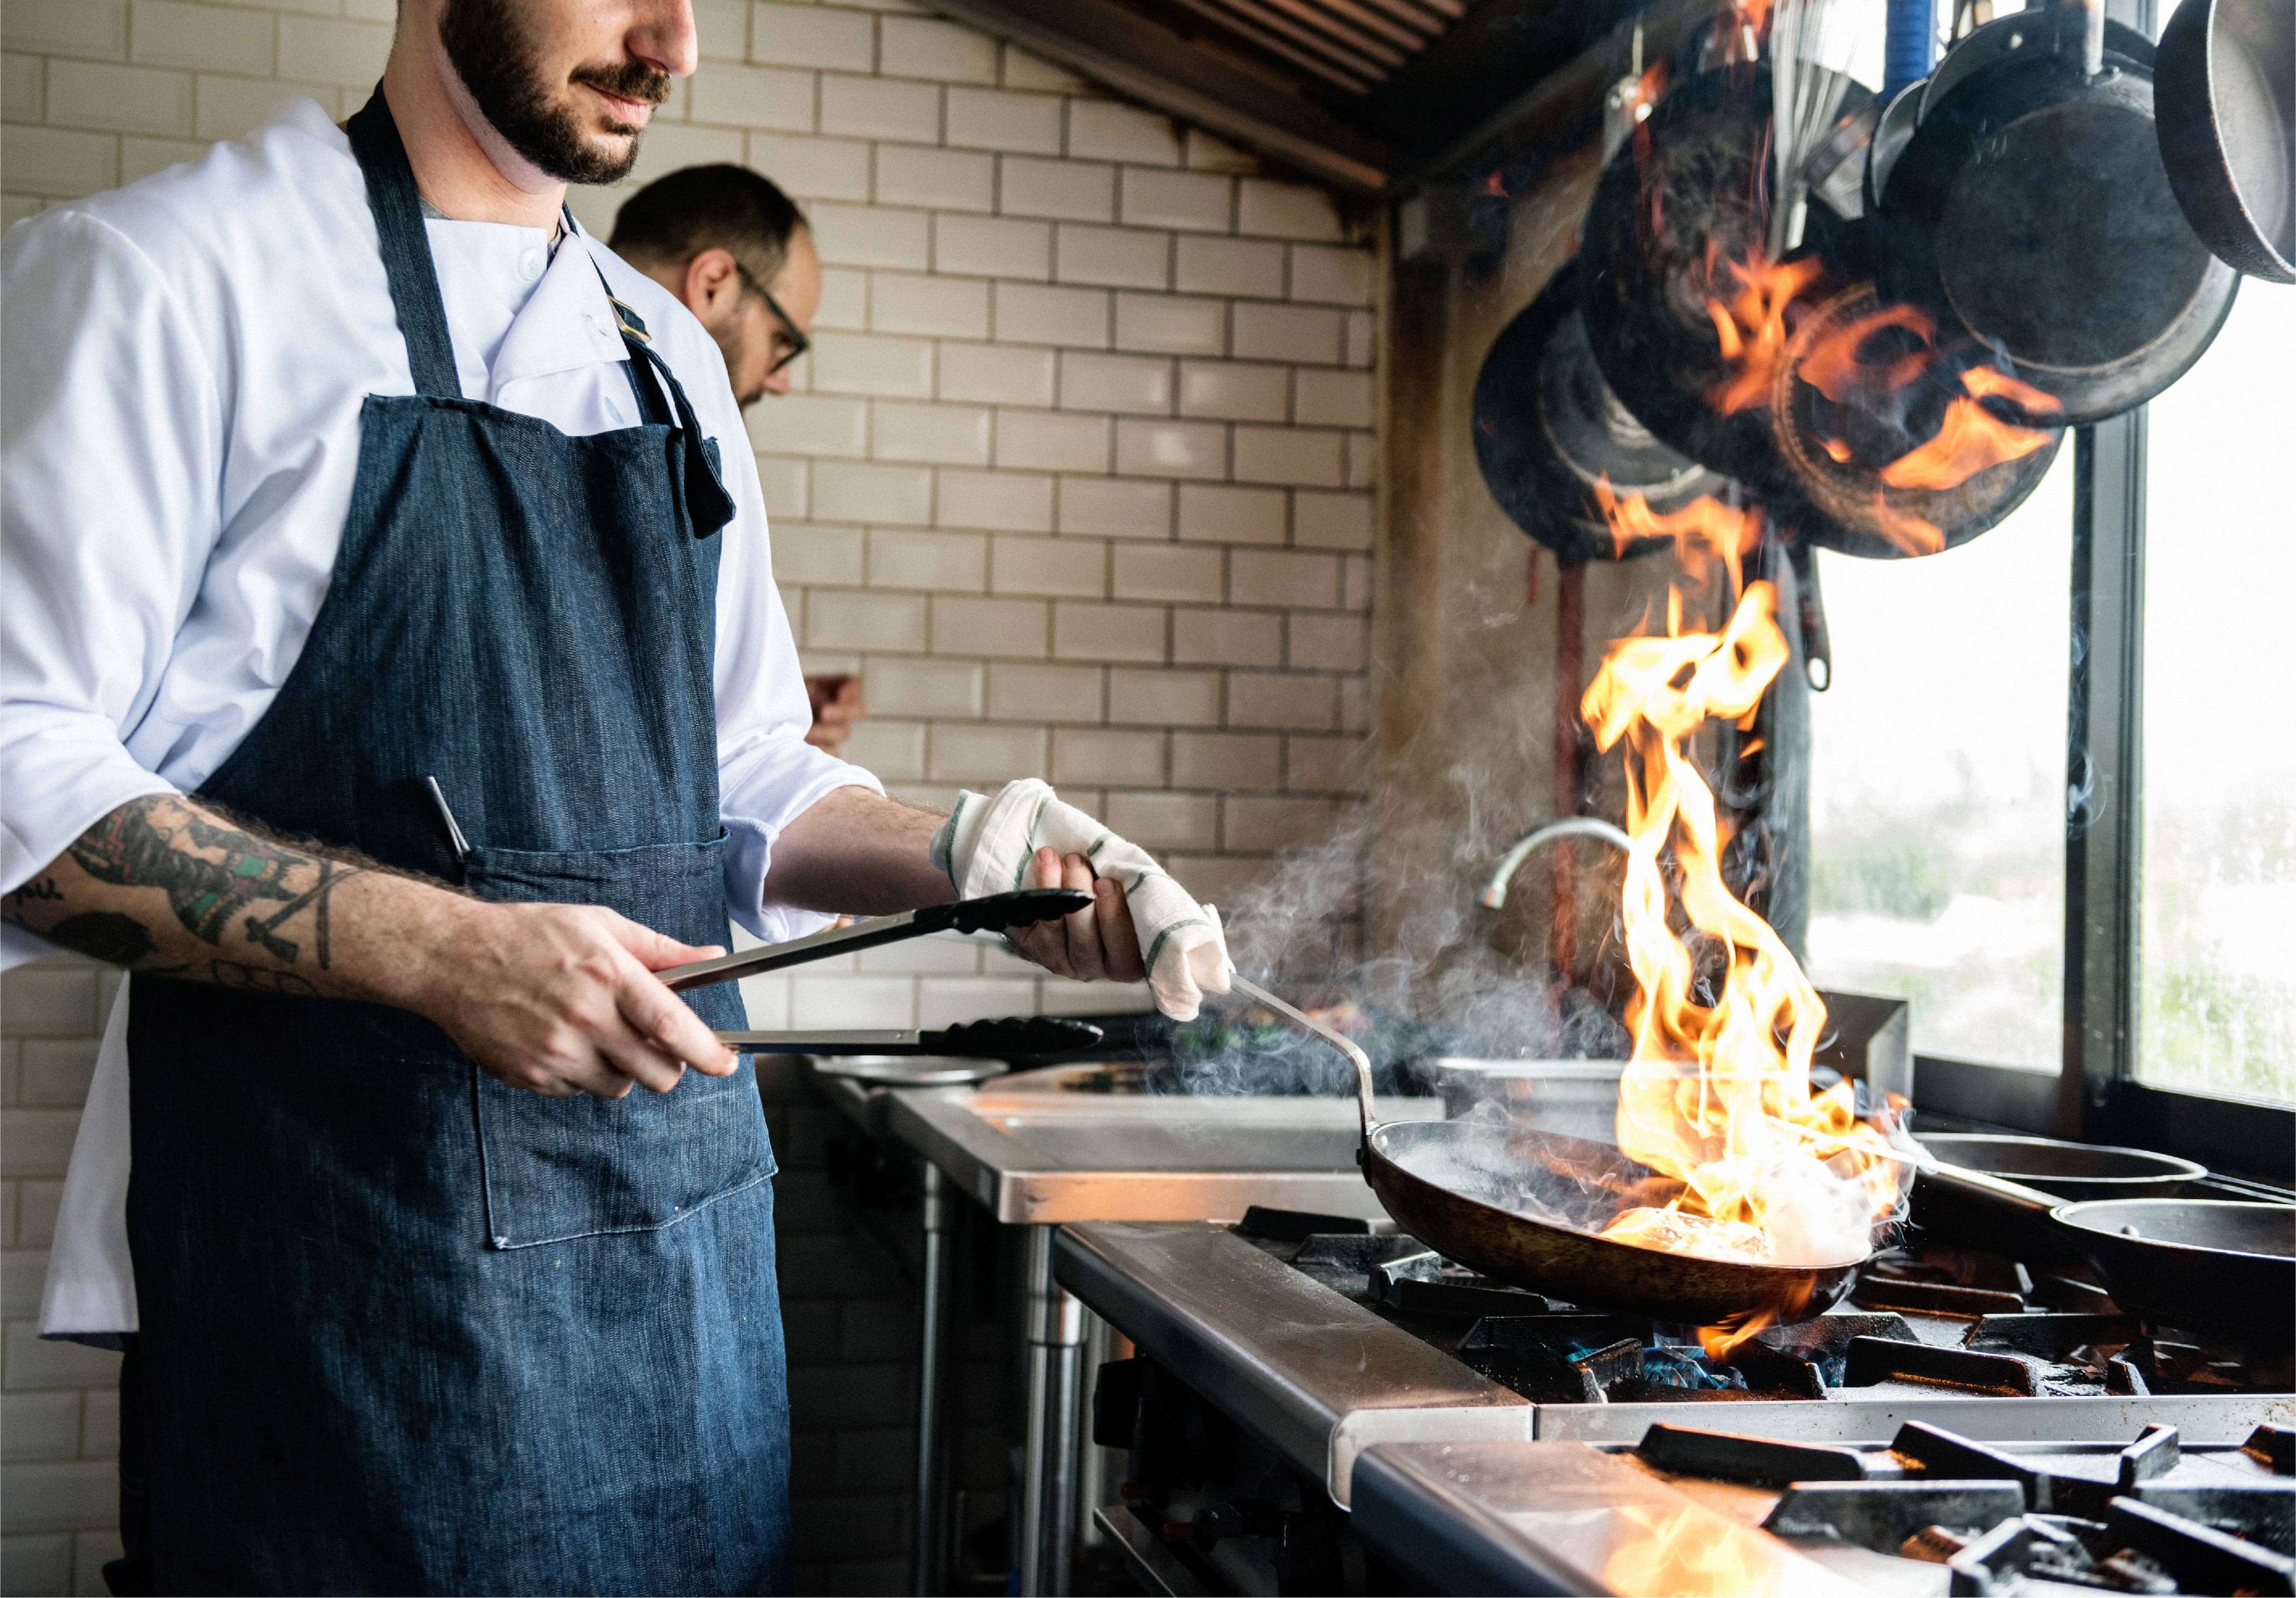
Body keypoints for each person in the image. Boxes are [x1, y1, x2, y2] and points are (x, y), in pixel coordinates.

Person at [0, 2, 1228, 1592]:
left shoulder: (662, 357)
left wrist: (966, 854)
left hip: (675, 1286)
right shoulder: (172, 278)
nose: (675, 41)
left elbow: (738, 770)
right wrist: (443, 951)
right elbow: (16, 762)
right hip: (344, 1294)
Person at [609, 163, 860, 755]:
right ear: (714, 283)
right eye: (783, 341)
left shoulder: (681, 442)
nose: (779, 382)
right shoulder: (616, 432)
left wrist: (749, 709)